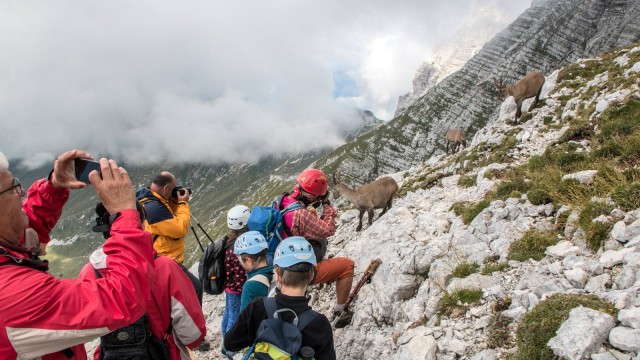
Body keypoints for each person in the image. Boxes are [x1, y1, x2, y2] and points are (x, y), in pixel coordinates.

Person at [0, 149, 156, 360]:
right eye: (13, 188)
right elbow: (122, 298)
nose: (22, 194)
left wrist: (53, 187)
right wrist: (125, 213)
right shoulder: (12, 296)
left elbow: (22, 234)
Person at [79, 201, 207, 360]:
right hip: (164, 353)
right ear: (141, 224)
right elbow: (192, 334)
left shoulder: (89, 273)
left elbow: (88, 326)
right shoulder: (165, 267)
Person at [224, 236, 336, 360]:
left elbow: (230, 343)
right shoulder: (319, 324)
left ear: (278, 276)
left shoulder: (257, 306)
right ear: (311, 275)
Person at [135, 171, 209, 351]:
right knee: (194, 288)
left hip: (164, 258)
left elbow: (168, 221)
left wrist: (174, 203)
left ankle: (181, 331)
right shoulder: (153, 208)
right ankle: (192, 335)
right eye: (172, 189)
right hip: (164, 260)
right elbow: (179, 228)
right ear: (167, 187)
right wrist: (183, 204)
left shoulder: (154, 200)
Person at [277, 168, 355, 328]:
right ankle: (340, 313)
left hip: (280, 264)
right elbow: (328, 229)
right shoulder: (301, 214)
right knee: (347, 266)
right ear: (313, 196)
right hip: (297, 272)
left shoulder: (283, 200)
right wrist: (326, 204)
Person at [220, 205, 250, 357]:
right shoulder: (238, 246)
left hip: (229, 286)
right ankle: (229, 347)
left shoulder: (229, 240)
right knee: (234, 317)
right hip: (237, 289)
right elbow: (240, 274)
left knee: (228, 314)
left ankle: (225, 343)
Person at [233, 231, 273, 312]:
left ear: (249, 261)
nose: (240, 263)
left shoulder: (250, 286)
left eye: (240, 260)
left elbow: (244, 320)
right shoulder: (277, 271)